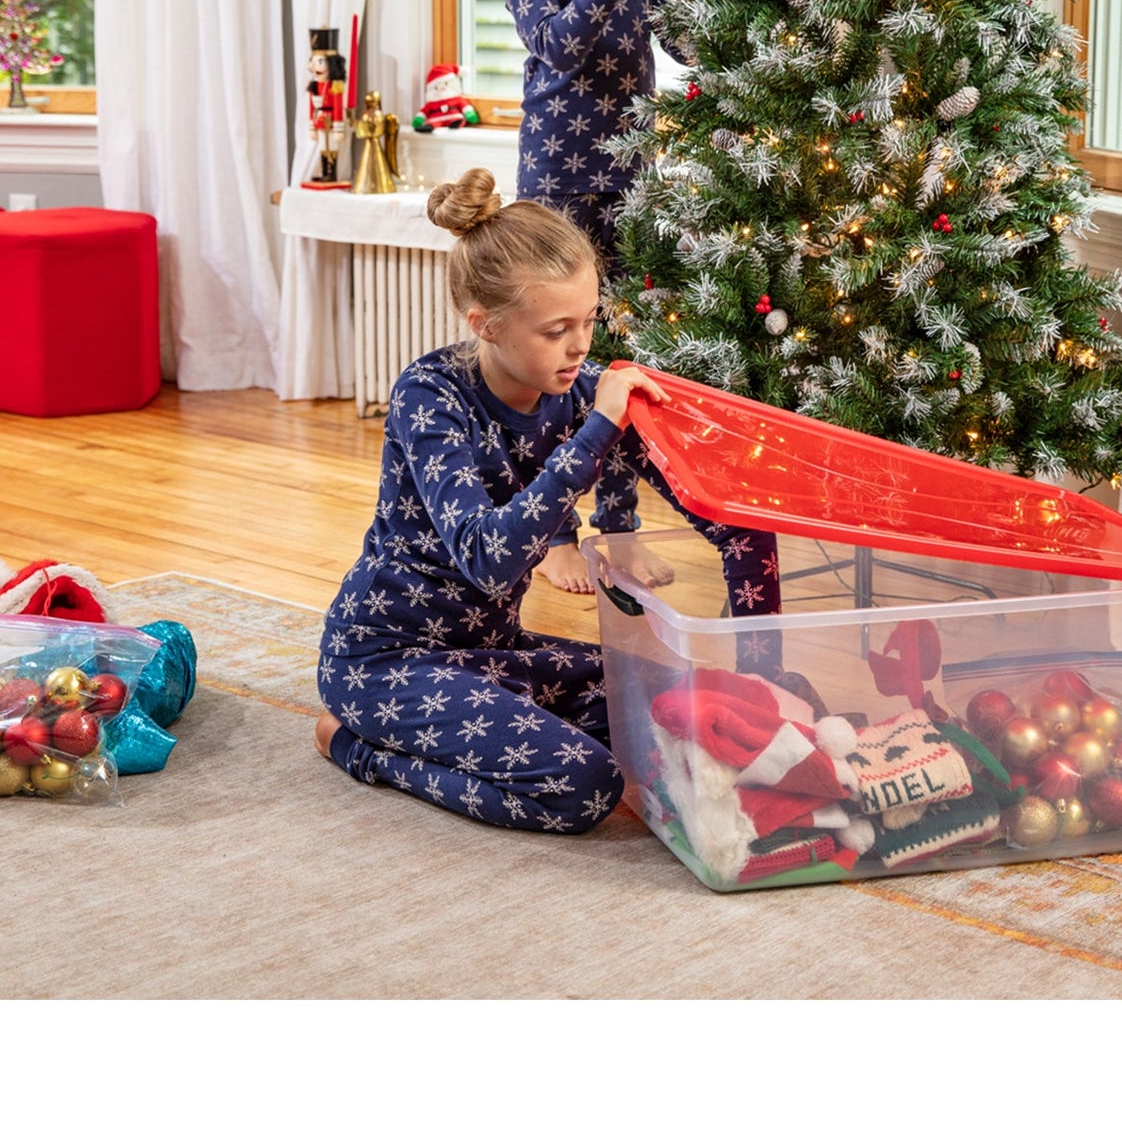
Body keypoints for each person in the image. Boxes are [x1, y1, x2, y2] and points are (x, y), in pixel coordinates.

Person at [314, 168, 779, 835]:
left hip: (495, 653)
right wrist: (597, 430)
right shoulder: (430, 396)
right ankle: (356, 747)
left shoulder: (581, 391)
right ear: (486, 325)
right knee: (584, 788)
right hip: (387, 661)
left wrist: (763, 678)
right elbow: (488, 560)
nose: (581, 345)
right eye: (556, 329)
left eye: (588, 321)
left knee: (683, 708)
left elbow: (733, 526)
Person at [491, 0, 699, 595]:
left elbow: (686, 45)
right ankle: (553, 532)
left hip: (634, 175)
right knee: (553, 359)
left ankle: (619, 526)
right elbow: (558, 44)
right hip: (557, 181)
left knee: (625, 357)